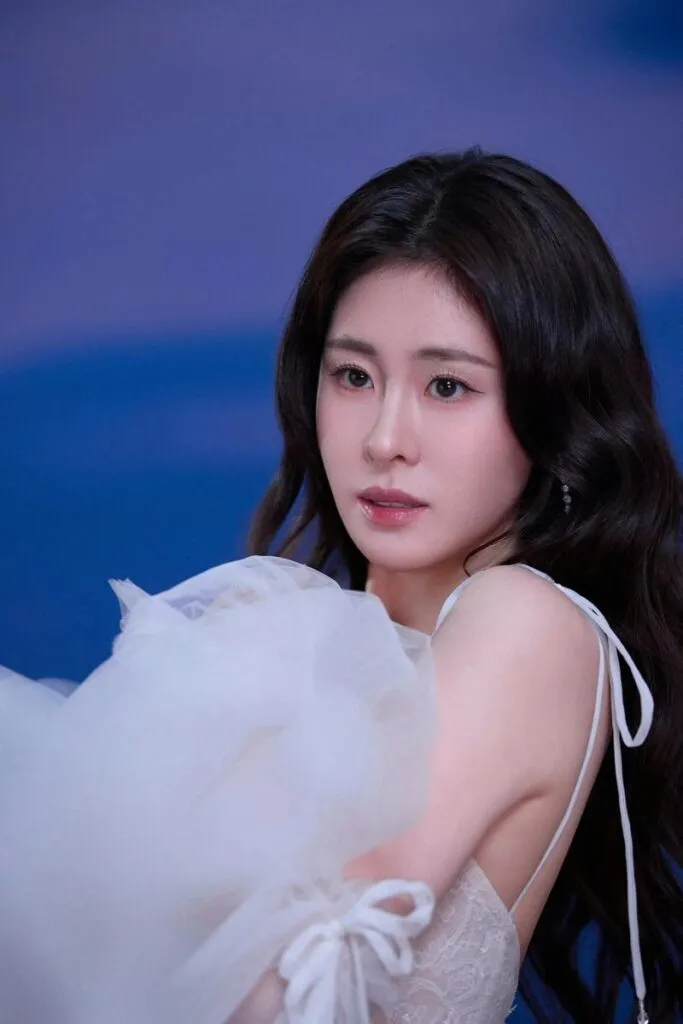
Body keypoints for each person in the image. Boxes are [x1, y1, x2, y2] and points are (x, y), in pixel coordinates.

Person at [0, 149, 681, 1023]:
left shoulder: (524, 620)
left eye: (447, 386)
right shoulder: (290, 633)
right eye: (353, 376)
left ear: (552, 405)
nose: (384, 438)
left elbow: (307, 974)